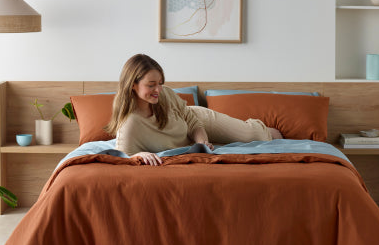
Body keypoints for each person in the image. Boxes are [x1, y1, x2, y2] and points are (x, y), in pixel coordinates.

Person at [105, 54, 282, 165]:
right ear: (133, 85)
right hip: (186, 142)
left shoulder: (165, 95)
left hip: (198, 121)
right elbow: (123, 157)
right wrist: (139, 155)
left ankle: (267, 129)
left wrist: (201, 143)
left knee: (254, 137)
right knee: (227, 149)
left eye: (160, 83)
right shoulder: (130, 124)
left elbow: (192, 120)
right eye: (151, 85)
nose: (158, 90)